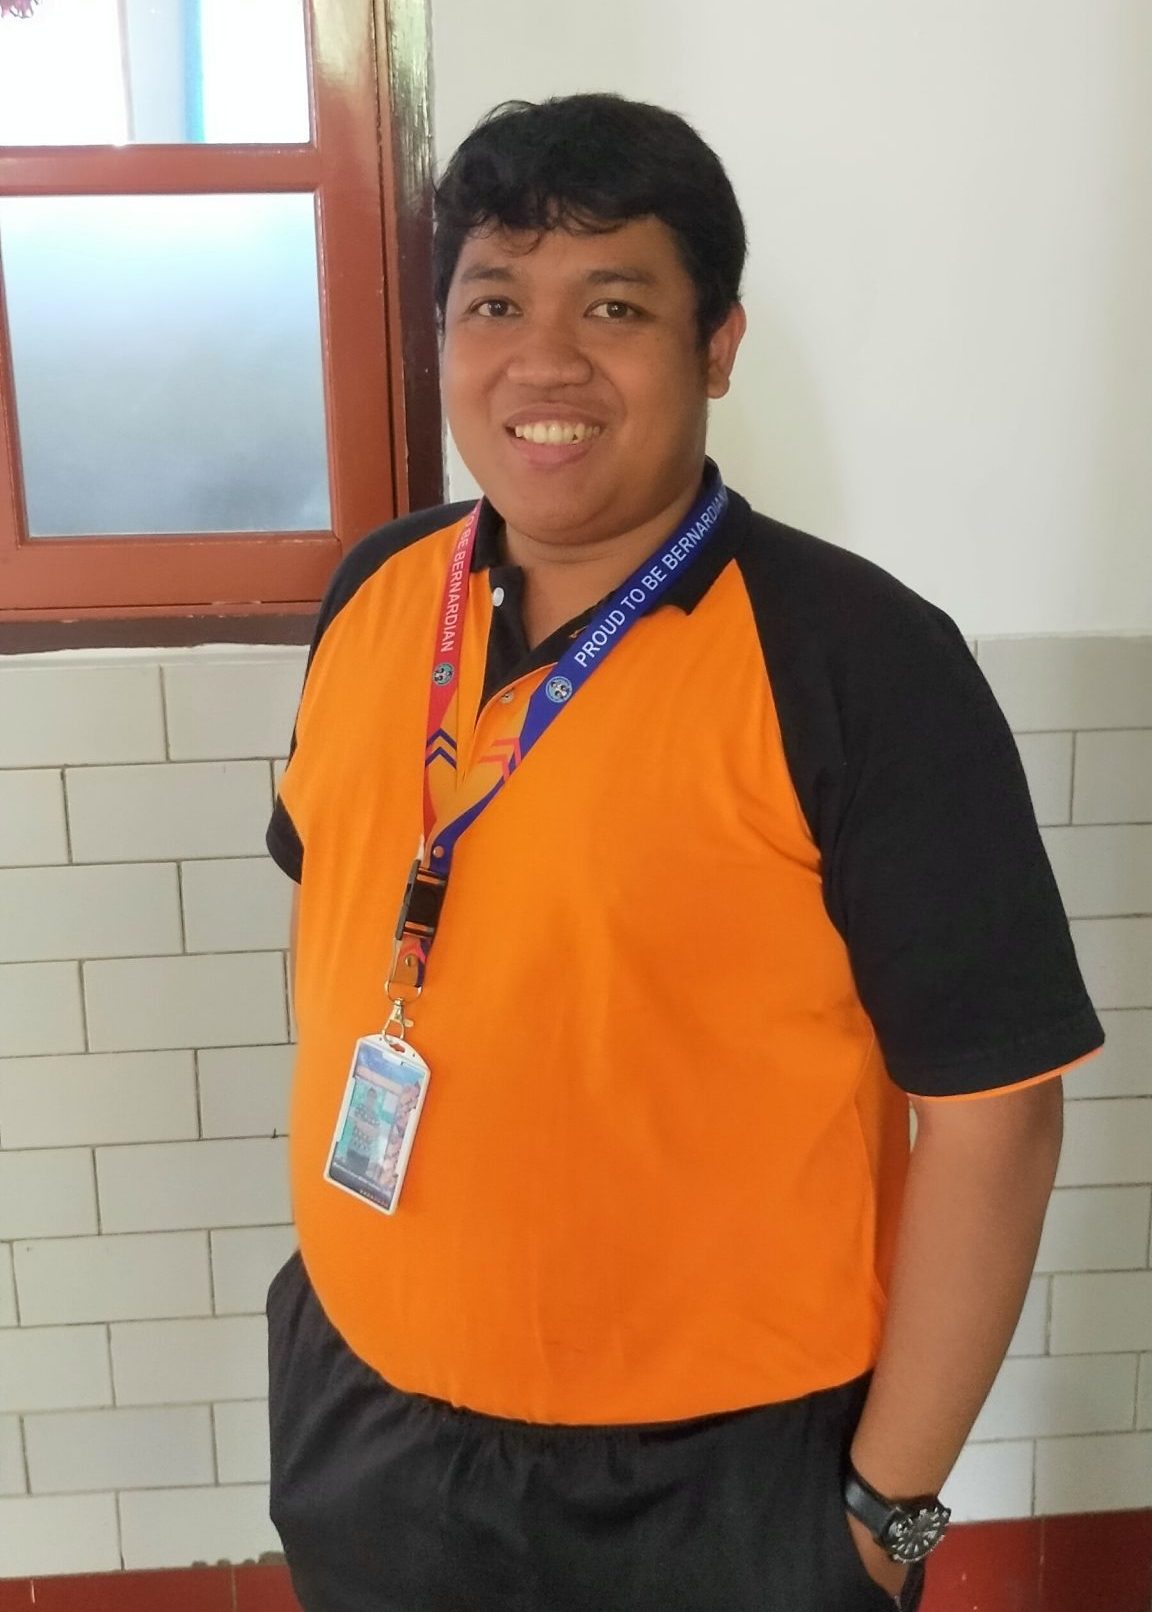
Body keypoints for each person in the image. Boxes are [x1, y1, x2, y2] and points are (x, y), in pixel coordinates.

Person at [264, 93, 1103, 1612]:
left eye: (615, 306)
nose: (544, 362)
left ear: (716, 345)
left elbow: (999, 1118)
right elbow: (334, 916)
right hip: (372, 1419)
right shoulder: (378, 593)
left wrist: (885, 1516)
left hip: (720, 1482)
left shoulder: (859, 661)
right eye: (495, 303)